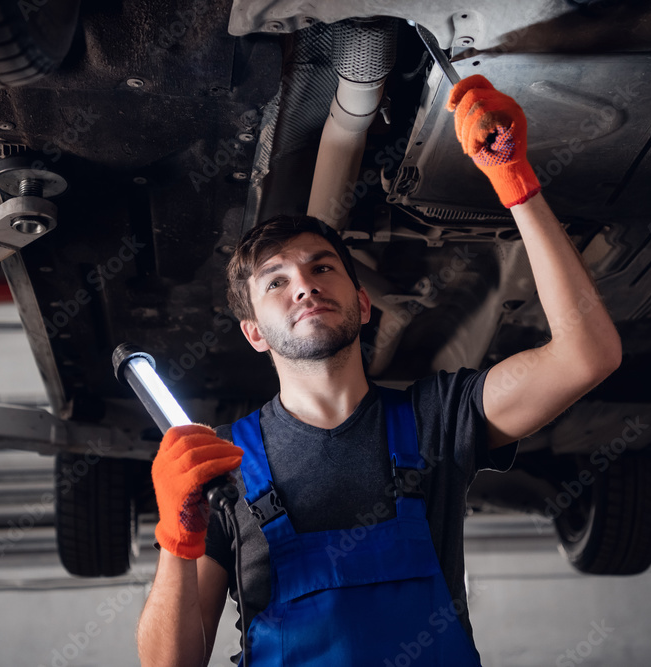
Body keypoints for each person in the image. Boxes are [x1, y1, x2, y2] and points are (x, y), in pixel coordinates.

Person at [136, 75, 622, 666]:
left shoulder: (438, 419)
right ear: (254, 334)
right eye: (277, 282)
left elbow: (586, 356)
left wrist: (516, 185)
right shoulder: (220, 471)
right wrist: (175, 539)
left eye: (322, 268)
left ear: (364, 303)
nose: (306, 287)